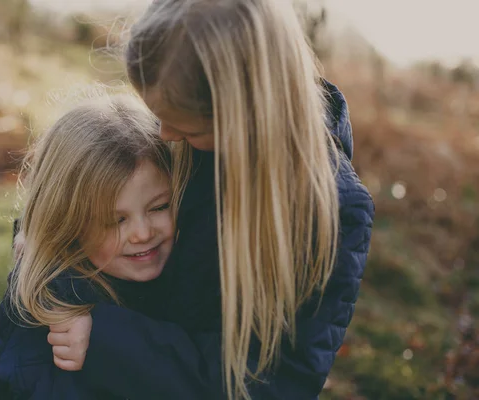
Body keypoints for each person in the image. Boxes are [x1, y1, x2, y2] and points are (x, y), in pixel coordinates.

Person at [46, 0, 375, 399]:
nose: (165, 134)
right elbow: (107, 215)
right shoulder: (192, 142)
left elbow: (273, 384)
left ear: (243, 112)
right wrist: (51, 245)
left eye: (185, 124)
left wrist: (108, 340)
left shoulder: (330, 213)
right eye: (157, 114)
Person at [0, 93, 178, 399]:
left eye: (159, 207)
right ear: (68, 223)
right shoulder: (40, 301)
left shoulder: (189, 285)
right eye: (115, 220)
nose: (142, 233)